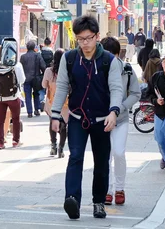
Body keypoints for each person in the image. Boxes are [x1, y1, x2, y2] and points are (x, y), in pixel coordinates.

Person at [50, 16, 123, 220]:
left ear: (97, 36)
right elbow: (62, 86)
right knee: (75, 157)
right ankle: (72, 198)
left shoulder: (109, 60)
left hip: (102, 119)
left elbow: (116, 88)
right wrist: (55, 115)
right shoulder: (70, 58)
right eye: (80, 39)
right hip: (77, 118)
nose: (85, 43)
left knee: (101, 161)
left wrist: (114, 111)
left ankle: (99, 201)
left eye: (89, 38)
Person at [100, 37, 140, 206]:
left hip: (121, 118)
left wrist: (121, 108)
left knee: (118, 152)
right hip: (101, 119)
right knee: (104, 156)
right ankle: (107, 190)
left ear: (118, 54)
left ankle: (120, 189)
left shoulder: (127, 70)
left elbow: (136, 93)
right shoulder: (97, 68)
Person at [0, 46, 23, 150]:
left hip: (0, 97)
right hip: (14, 96)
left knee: (0, 119)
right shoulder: (17, 65)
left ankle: (0, 142)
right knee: (16, 118)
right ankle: (15, 141)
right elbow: (22, 80)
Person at [43, 49, 68, 158]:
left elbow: (43, 85)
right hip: (65, 103)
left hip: (51, 102)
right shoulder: (68, 70)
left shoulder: (49, 71)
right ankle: (61, 149)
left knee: (52, 122)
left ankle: (53, 146)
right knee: (63, 126)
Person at [20, 40, 46, 118]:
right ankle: (37, 110)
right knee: (36, 94)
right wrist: (43, 75)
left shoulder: (23, 57)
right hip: (36, 78)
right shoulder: (38, 55)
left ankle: (29, 112)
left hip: (26, 78)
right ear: (34, 47)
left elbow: (20, 68)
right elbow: (43, 66)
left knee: (27, 95)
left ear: (27, 47)